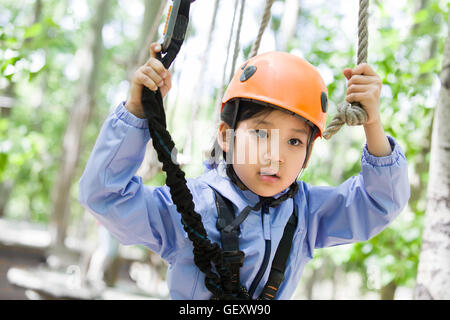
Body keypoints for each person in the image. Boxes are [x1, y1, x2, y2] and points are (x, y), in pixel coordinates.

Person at [78, 42, 410, 299]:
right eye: (261, 133)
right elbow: (104, 196)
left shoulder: (307, 214)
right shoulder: (190, 205)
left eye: (294, 142)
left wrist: (373, 124)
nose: (275, 156)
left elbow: (378, 203)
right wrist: (137, 110)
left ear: (307, 156)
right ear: (227, 136)